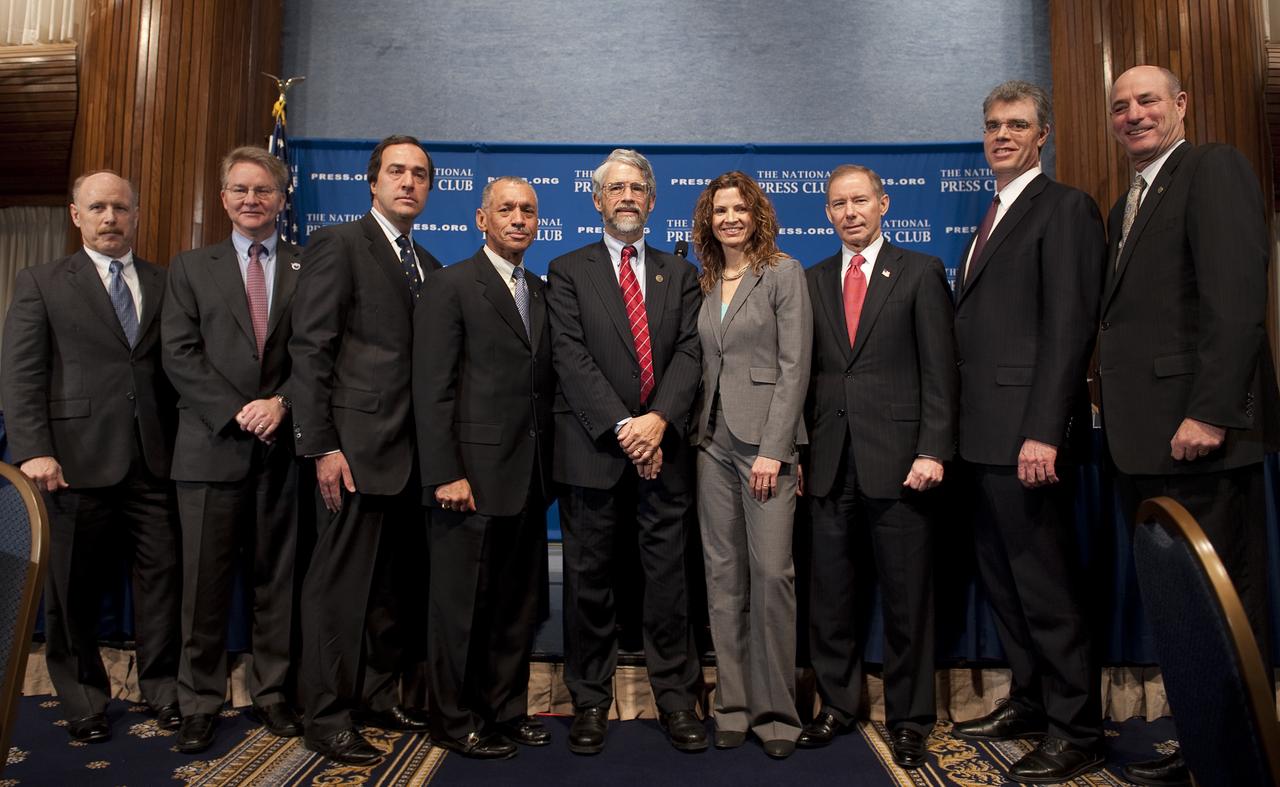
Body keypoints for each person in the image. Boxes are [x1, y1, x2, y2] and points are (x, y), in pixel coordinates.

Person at [1100, 65, 1279, 787]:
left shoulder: (1213, 168)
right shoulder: (1125, 205)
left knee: (1223, 602)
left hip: (1199, 437)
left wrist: (1207, 409)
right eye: (1120, 106)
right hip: (1144, 442)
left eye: (1148, 100)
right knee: (1183, 609)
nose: (1134, 114)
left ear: (1181, 105)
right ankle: (1206, 744)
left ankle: (1243, 758)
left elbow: (1237, 299)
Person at [950, 80, 1106, 782]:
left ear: (1044, 134)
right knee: (1005, 586)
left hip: (1027, 441)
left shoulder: (1065, 208)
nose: (1002, 135)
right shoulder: (988, 216)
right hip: (979, 440)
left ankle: (1078, 727)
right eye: (992, 125)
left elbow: (1069, 327)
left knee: (1046, 588)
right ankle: (1031, 700)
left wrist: (1045, 429)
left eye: (1016, 124)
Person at [1, 170, 182, 742]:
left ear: (136, 214)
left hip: (155, 463)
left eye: (121, 208)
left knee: (162, 584)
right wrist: (34, 450)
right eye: (98, 208)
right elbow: (22, 374)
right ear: (76, 215)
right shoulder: (42, 282)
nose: (111, 218)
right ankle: (82, 700)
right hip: (71, 467)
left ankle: (161, 691)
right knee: (71, 590)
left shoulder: (166, 281)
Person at [546, 149, 706, 755]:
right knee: (589, 582)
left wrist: (658, 421)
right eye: (616, 188)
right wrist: (625, 427)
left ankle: (675, 699)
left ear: (653, 199)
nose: (627, 197)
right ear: (597, 200)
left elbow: (690, 354)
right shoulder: (567, 269)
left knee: (669, 582)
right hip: (596, 451)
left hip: (664, 452)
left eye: (637, 187)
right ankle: (589, 700)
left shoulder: (679, 272)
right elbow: (569, 356)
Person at [798, 165, 957, 769]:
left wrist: (933, 449)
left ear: (884, 203)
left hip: (901, 466)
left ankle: (910, 719)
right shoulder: (811, 280)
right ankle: (837, 707)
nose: (850, 212)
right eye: (838, 204)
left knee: (906, 599)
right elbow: (804, 377)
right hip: (830, 463)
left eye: (860, 200)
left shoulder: (919, 272)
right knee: (831, 597)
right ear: (828, 214)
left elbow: (940, 372)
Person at [288, 135, 440, 764]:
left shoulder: (426, 260)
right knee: (340, 589)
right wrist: (322, 444)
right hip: (351, 453)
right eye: (397, 172)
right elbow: (311, 347)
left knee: (390, 590)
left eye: (421, 175)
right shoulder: (339, 244)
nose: (409, 182)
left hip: (410, 457)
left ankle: (377, 696)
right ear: (372, 182)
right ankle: (325, 714)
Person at [160, 146, 304, 753]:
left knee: (279, 582)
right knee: (204, 587)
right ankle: (199, 701)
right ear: (224, 199)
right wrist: (237, 411)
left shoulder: (307, 265)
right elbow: (179, 354)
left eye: (264, 190)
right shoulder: (191, 267)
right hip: (210, 449)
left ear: (281, 198)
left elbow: (321, 353)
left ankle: (272, 694)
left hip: (283, 452)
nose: (252, 200)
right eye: (241, 190)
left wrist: (282, 403)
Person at [413, 177, 555, 761]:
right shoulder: (450, 286)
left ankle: (506, 709)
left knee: (514, 606)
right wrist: (446, 471)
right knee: (460, 608)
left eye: (527, 210)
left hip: (528, 480)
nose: (518, 218)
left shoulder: (542, 291)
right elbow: (432, 388)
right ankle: (453, 717)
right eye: (506, 209)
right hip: (467, 480)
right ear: (481, 219)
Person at [690, 171, 812, 759]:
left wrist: (775, 446)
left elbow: (795, 366)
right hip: (709, 445)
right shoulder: (707, 278)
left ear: (756, 213)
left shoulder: (782, 273)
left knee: (771, 578)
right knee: (722, 580)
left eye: (739, 208)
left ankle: (778, 716)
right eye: (720, 211)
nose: (730, 218)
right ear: (708, 220)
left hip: (764, 447)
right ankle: (732, 707)